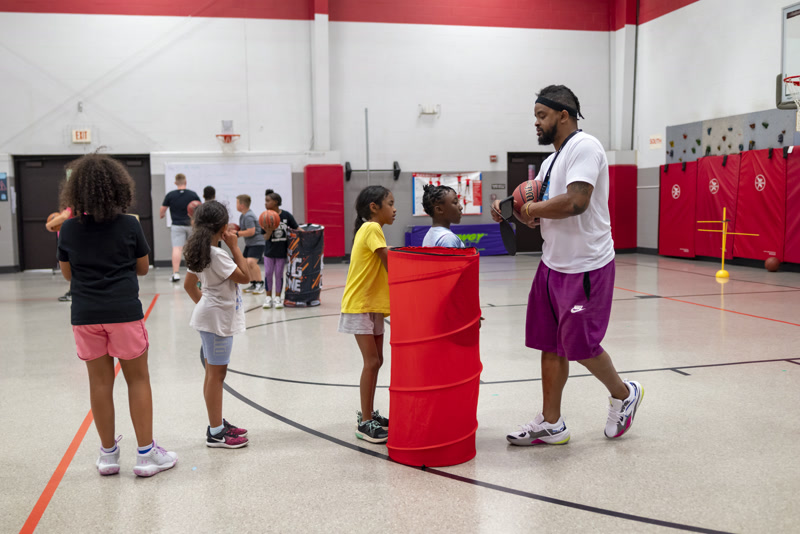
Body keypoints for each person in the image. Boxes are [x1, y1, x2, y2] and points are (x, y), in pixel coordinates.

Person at [491, 84, 643, 447]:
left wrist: (531, 207)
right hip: (552, 265)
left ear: (563, 115)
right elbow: (539, 214)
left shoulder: (585, 147)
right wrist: (512, 209)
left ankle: (624, 394)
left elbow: (576, 202)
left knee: (582, 346)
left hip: (586, 265)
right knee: (550, 344)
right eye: (535, 116)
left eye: (541, 115)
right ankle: (551, 422)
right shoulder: (550, 161)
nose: (536, 123)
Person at [57, 154, 177, 477]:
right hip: (123, 312)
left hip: (85, 315)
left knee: (99, 383)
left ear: (77, 191)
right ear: (118, 188)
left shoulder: (67, 229)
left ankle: (108, 456)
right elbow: (143, 268)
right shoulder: (129, 224)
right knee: (137, 380)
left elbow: (68, 275)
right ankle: (146, 455)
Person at [183, 201, 250, 449]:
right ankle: (216, 433)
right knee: (216, 376)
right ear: (222, 228)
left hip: (210, 318)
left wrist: (206, 307)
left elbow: (189, 286)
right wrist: (235, 247)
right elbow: (246, 277)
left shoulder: (200, 250)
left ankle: (216, 424)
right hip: (216, 321)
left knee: (212, 374)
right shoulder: (218, 254)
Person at [338, 185, 396, 443]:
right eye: (390, 204)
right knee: (371, 362)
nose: (394, 209)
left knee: (377, 361)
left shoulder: (372, 230)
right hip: (360, 305)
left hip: (372, 306)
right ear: (374, 207)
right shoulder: (372, 228)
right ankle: (365, 423)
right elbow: (391, 263)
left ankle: (369, 413)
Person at [261, 189, 299, 309]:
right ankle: (268, 298)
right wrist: (269, 230)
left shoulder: (286, 215)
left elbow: (297, 228)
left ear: (276, 202)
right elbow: (265, 237)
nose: (265, 203)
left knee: (279, 274)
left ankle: (278, 298)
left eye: (268, 201)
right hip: (269, 252)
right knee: (268, 273)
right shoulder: (265, 216)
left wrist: (310, 234)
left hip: (281, 252)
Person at [160, 173, 201, 282]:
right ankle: (198, 272)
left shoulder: (170, 195)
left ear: (175, 183)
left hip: (177, 225)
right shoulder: (192, 195)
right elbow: (200, 208)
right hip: (191, 225)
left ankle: (176, 273)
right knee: (195, 248)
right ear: (185, 182)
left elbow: (162, 210)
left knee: (177, 249)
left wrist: (162, 215)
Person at [234, 195, 264, 294]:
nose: (236, 205)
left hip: (257, 243)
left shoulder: (248, 216)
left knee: (251, 262)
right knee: (246, 263)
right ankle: (254, 283)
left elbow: (251, 231)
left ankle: (260, 284)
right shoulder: (243, 215)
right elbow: (244, 229)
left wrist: (237, 234)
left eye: (237, 203)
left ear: (242, 205)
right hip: (250, 243)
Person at [47, 205, 74, 301]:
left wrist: (49, 225)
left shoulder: (70, 208)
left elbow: (64, 217)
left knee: (71, 269)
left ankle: (72, 293)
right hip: (68, 243)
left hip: (71, 243)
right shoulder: (68, 210)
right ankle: (72, 292)